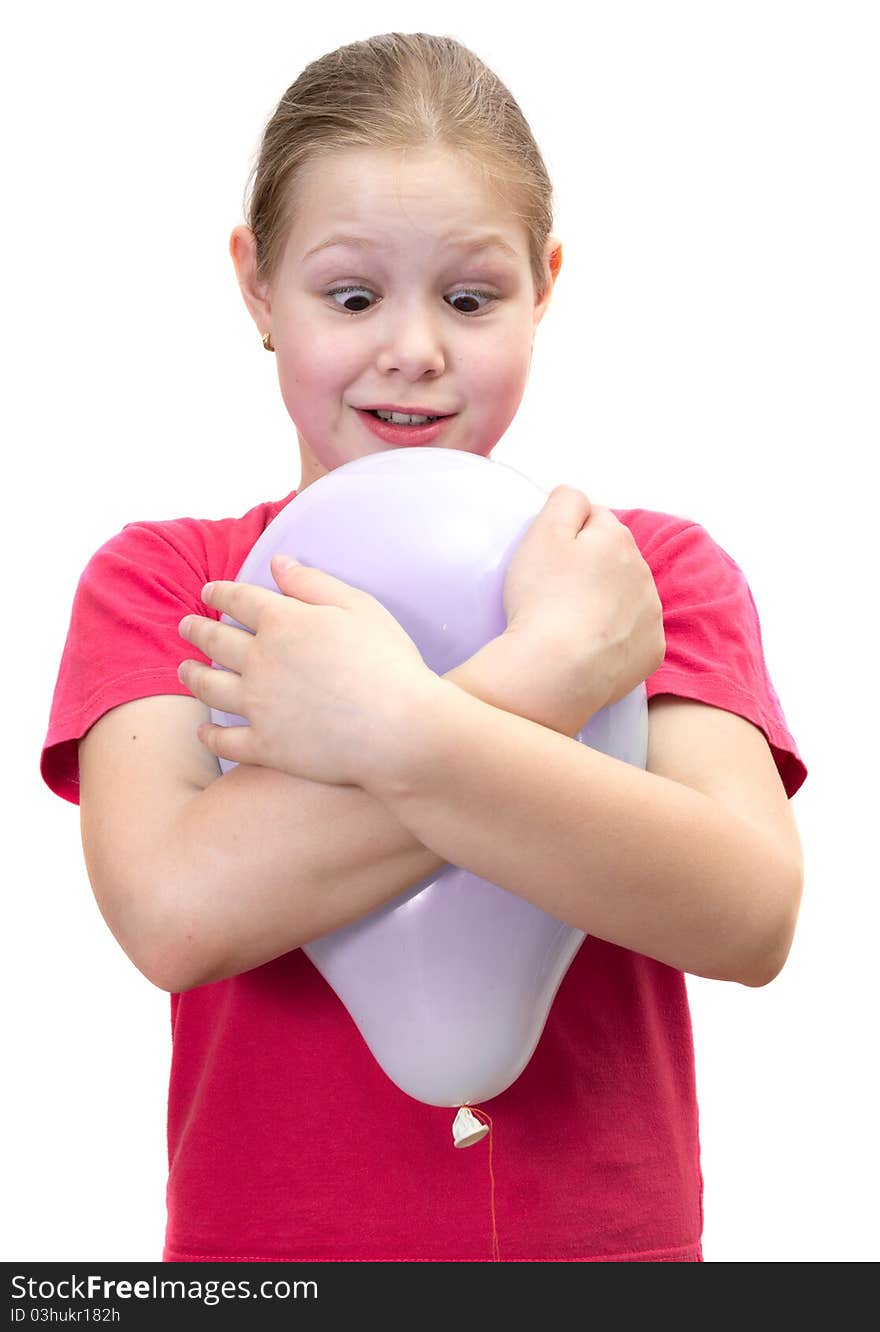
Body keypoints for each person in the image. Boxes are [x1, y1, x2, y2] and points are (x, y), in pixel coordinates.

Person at [40, 32, 807, 1264]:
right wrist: (540, 682)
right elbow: (178, 913)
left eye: (470, 296)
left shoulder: (639, 578)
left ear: (544, 285)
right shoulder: (167, 582)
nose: (414, 349)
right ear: (255, 286)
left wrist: (402, 725)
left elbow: (748, 915)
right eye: (350, 297)